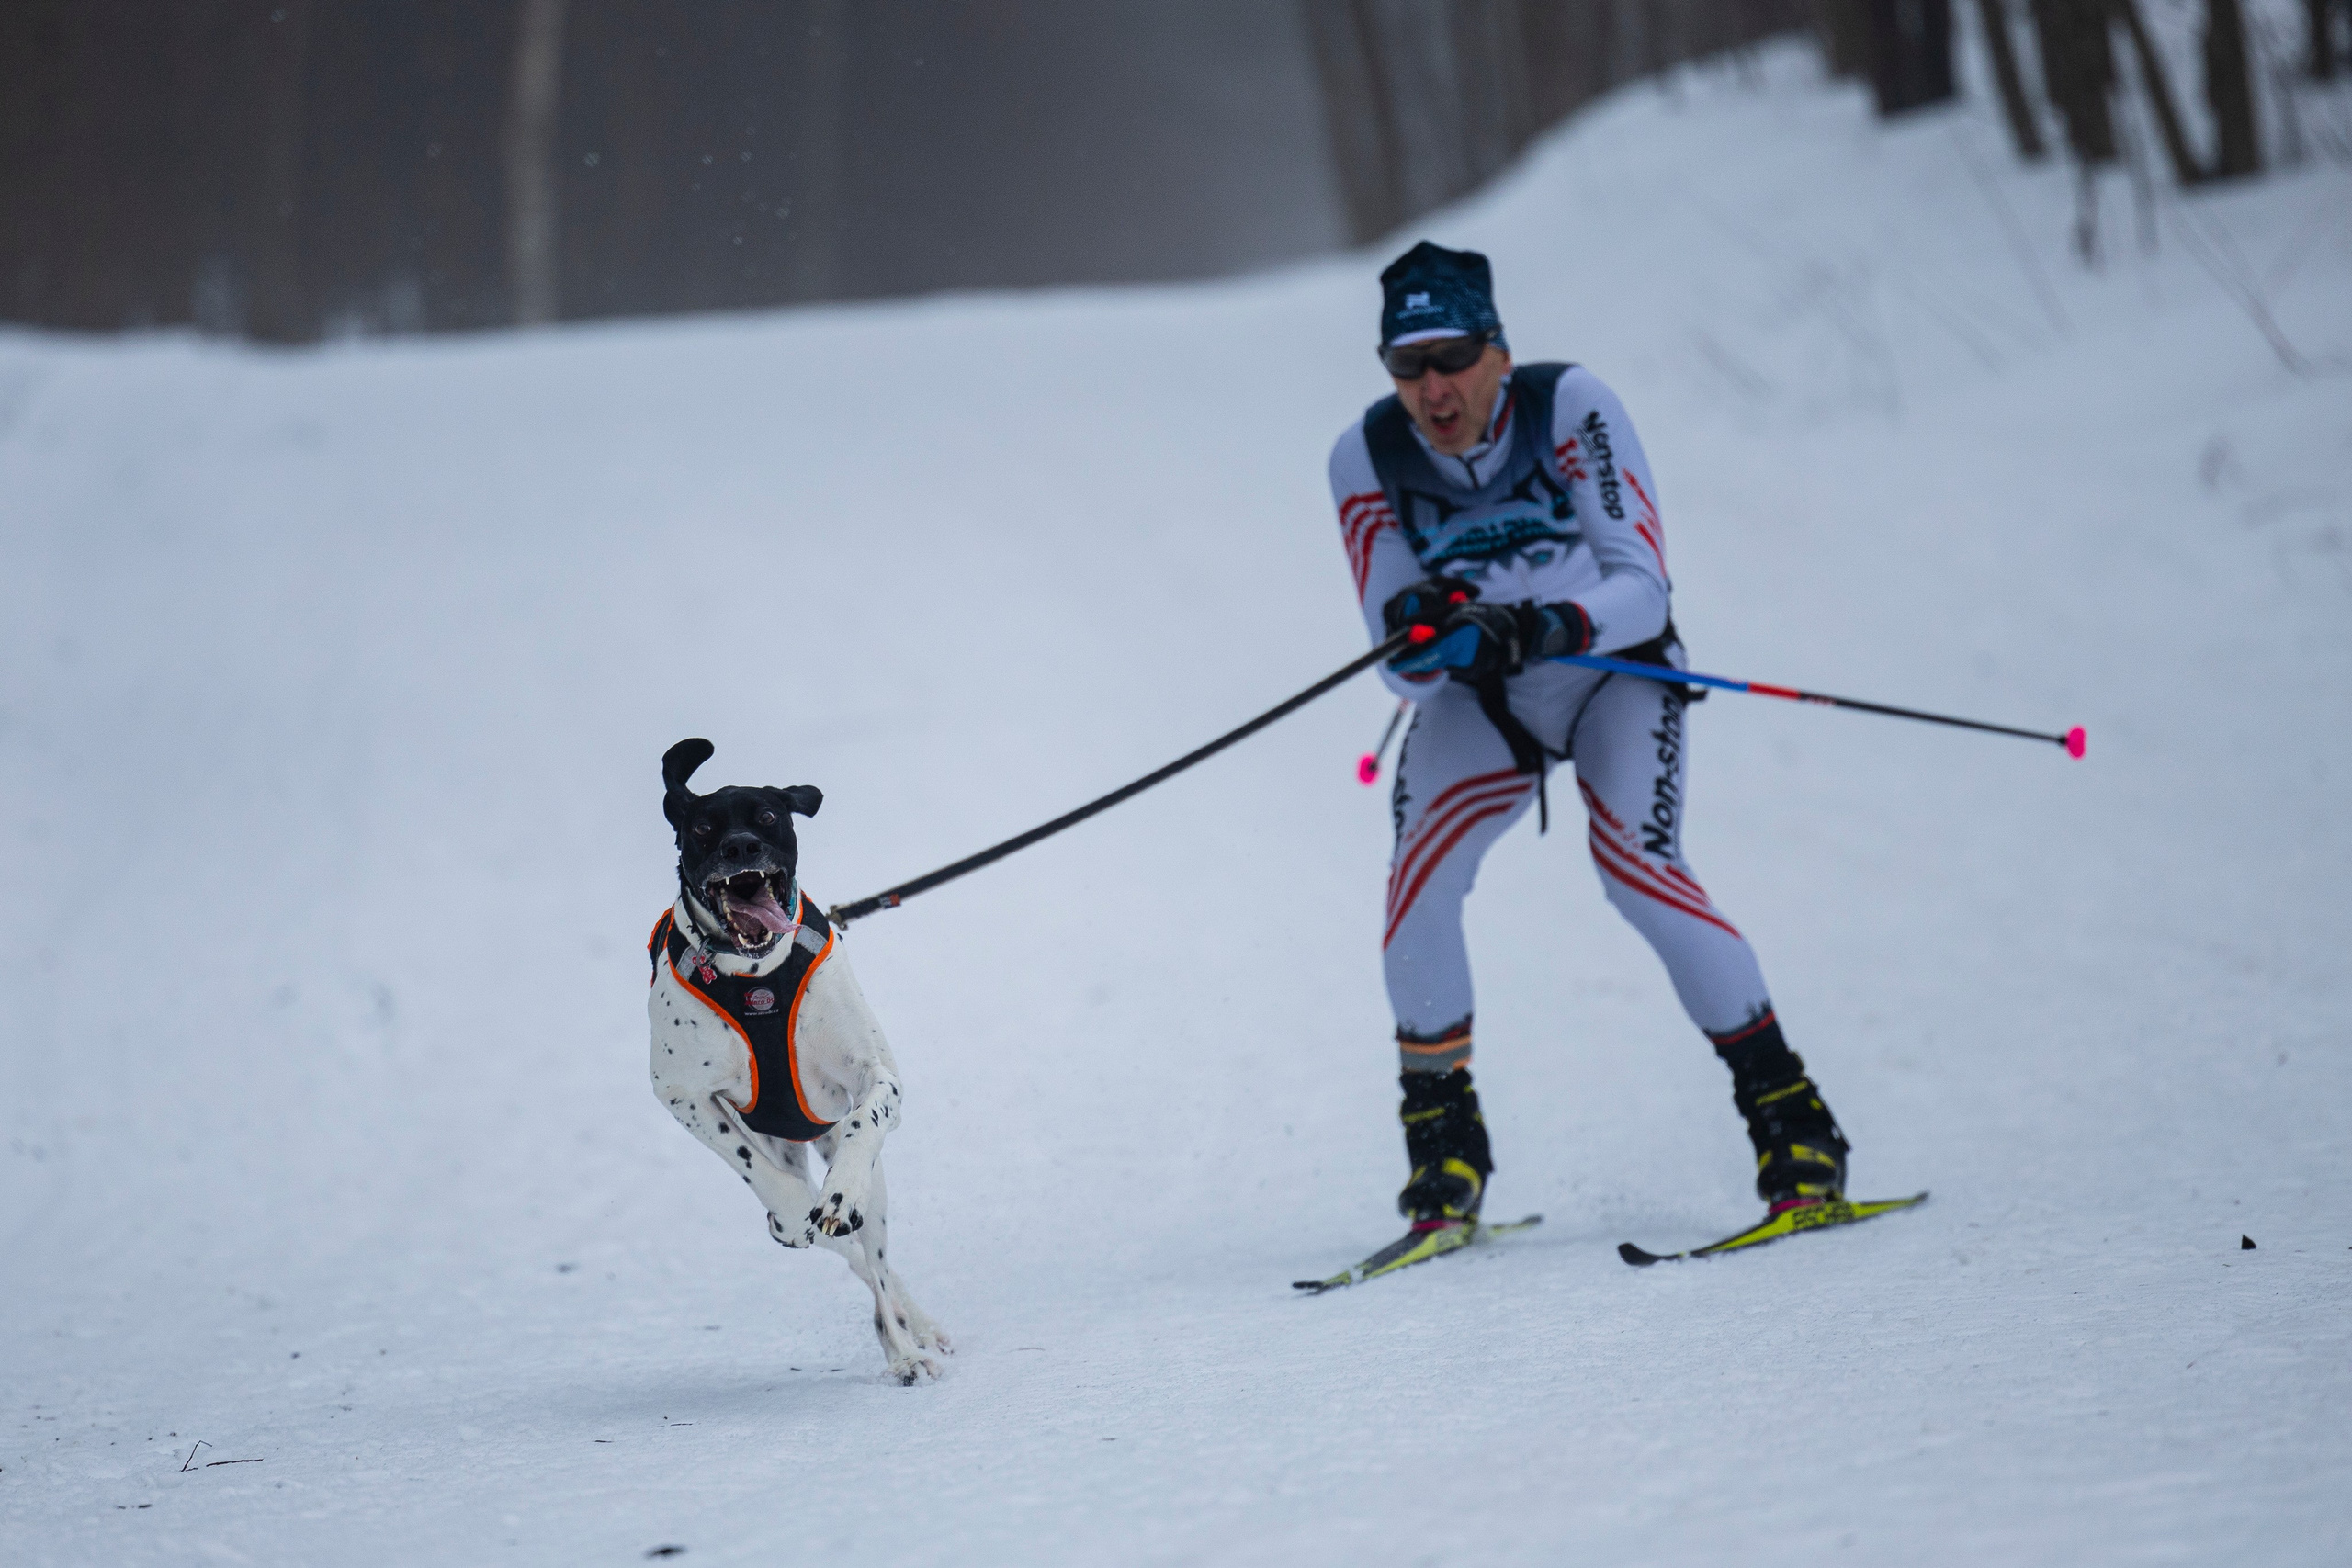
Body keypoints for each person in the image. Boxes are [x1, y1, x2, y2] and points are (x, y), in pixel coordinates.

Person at [1328, 241, 1850, 1233]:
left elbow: (1642, 587)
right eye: (1408, 365)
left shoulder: (1570, 405)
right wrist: (1425, 627)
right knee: (1415, 886)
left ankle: (1794, 1127)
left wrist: (1537, 626)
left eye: (1453, 358)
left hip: (1617, 673)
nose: (1433, 389)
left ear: (1497, 349)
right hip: (1483, 701)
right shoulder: (1365, 456)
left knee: (1637, 870)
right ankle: (1444, 1156)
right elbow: (1399, 668)